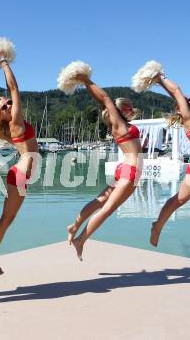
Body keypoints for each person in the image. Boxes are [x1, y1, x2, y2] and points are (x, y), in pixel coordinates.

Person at [0, 50, 39, 275]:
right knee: (6, 219)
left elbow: (10, 92)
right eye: (4, 107)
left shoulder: (11, 125)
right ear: (0, 115)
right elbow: (14, 88)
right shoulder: (16, 122)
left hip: (21, 175)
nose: (10, 105)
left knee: (7, 219)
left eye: (9, 103)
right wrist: (3, 61)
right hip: (20, 175)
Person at [67, 73, 143, 260]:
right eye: (128, 106)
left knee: (100, 201)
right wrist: (85, 81)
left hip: (125, 169)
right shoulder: (118, 124)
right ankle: (81, 240)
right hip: (130, 171)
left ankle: (75, 226)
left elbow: (105, 101)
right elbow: (105, 98)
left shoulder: (120, 125)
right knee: (106, 209)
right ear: (121, 110)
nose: (131, 108)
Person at [150, 74, 190, 247]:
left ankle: (158, 225)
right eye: (186, 102)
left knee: (180, 200)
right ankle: (157, 227)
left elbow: (176, 94)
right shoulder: (188, 118)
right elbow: (176, 91)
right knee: (178, 200)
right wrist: (160, 78)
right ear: (181, 109)